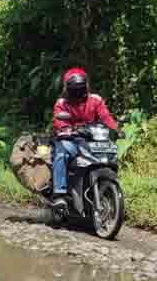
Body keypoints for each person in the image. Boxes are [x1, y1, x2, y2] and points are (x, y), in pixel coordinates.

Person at [50, 68, 118, 209]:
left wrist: (116, 129)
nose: (78, 91)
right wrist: (66, 130)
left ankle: (105, 188)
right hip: (71, 140)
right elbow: (59, 122)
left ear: (86, 86)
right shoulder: (62, 103)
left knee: (109, 155)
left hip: (92, 141)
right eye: (75, 89)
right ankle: (60, 194)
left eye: (80, 88)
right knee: (61, 151)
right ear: (67, 88)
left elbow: (106, 118)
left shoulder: (95, 100)